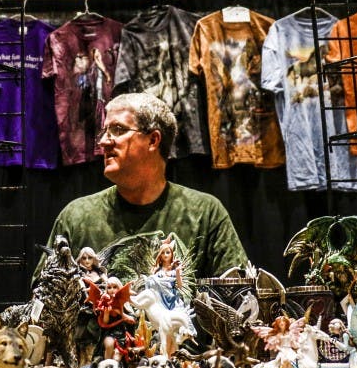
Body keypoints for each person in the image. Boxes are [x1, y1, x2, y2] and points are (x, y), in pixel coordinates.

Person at [40, 92, 248, 289]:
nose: (103, 141)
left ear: (153, 140)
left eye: (118, 130)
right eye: (105, 131)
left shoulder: (205, 213)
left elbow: (238, 295)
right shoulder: (76, 217)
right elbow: (42, 299)